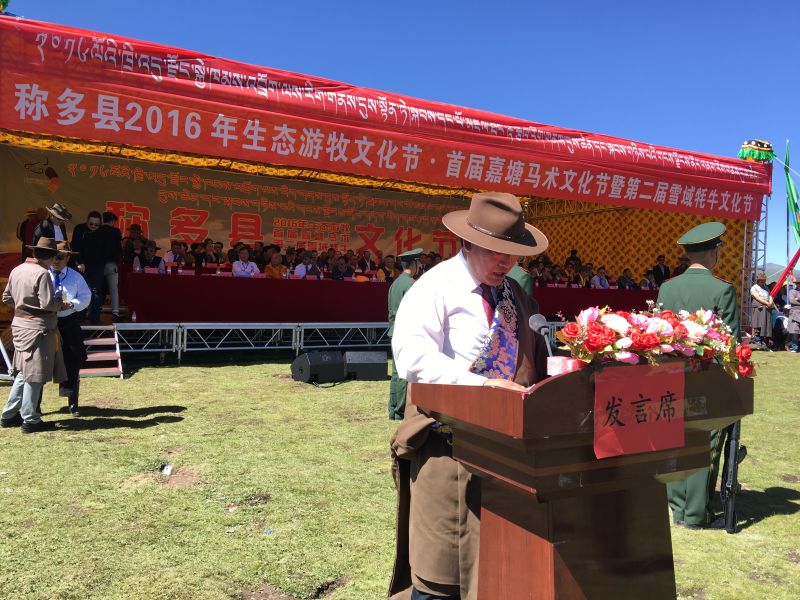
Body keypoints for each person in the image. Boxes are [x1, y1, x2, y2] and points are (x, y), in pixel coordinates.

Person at [389, 192, 550, 600]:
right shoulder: (435, 287)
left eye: (513, 254)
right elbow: (413, 359)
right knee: (441, 571)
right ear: (468, 242)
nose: (506, 262)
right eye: (496, 252)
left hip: (505, 450)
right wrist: (483, 387)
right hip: (447, 445)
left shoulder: (513, 294)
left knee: (499, 568)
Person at [657, 222, 739, 530]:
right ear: (714, 252)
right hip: (706, 377)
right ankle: (694, 513)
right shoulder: (722, 289)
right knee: (704, 440)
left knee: (673, 436)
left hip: (669, 375)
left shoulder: (667, 288)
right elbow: (729, 343)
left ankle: (676, 505)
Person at [1, 238, 66, 433]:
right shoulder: (42, 274)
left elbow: (6, 298)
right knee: (35, 374)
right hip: (38, 329)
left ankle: (9, 414)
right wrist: (63, 304)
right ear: (51, 257)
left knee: (23, 372)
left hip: (19, 326)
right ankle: (30, 419)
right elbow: (48, 304)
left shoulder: (17, 269)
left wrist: (23, 307)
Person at [50, 242, 90, 416]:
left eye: (60, 257)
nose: (56, 260)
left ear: (67, 258)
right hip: (48, 322)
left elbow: (86, 296)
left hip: (69, 321)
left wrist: (73, 304)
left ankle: (73, 403)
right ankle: (34, 407)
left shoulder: (75, 276)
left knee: (73, 360)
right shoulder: (43, 274)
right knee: (42, 363)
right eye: (53, 256)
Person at [387, 248, 422, 421]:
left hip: (394, 330)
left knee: (396, 372)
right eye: (418, 263)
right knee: (404, 372)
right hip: (406, 331)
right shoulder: (411, 284)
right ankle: (400, 410)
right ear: (414, 263)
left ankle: (394, 408)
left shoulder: (396, 283)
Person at [72, 211, 106, 324]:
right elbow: (75, 246)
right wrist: (79, 262)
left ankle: (95, 317)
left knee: (96, 292)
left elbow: (106, 249)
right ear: (87, 221)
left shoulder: (103, 232)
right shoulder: (79, 229)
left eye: (96, 225)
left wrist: (103, 264)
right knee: (81, 291)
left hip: (97, 266)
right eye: (91, 224)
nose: (93, 226)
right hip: (82, 265)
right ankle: (80, 316)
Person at [101, 212, 123, 321]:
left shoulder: (98, 230)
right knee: (114, 289)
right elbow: (119, 248)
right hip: (111, 264)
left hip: (98, 264)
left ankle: (93, 311)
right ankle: (115, 312)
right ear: (112, 221)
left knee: (97, 288)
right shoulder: (116, 232)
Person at [749, 272, 774, 349]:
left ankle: (763, 340)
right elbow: (757, 297)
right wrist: (767, 303)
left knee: (765, 324)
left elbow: (770, 296)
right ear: (758, 280)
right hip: (759, 307)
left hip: (766, 307)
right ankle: (757, 340)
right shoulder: (754, 288)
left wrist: (770, 303)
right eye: (761, 280)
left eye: (764, 280)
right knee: (758, 324)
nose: (763, 281)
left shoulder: (766, 288)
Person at [784, 282, 800, 352]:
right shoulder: (792, 291)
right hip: (795, 312)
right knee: (795, 331)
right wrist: (796, 299)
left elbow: (796, 300)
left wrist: (798, 298)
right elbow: (792, 301)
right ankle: (794, 347)